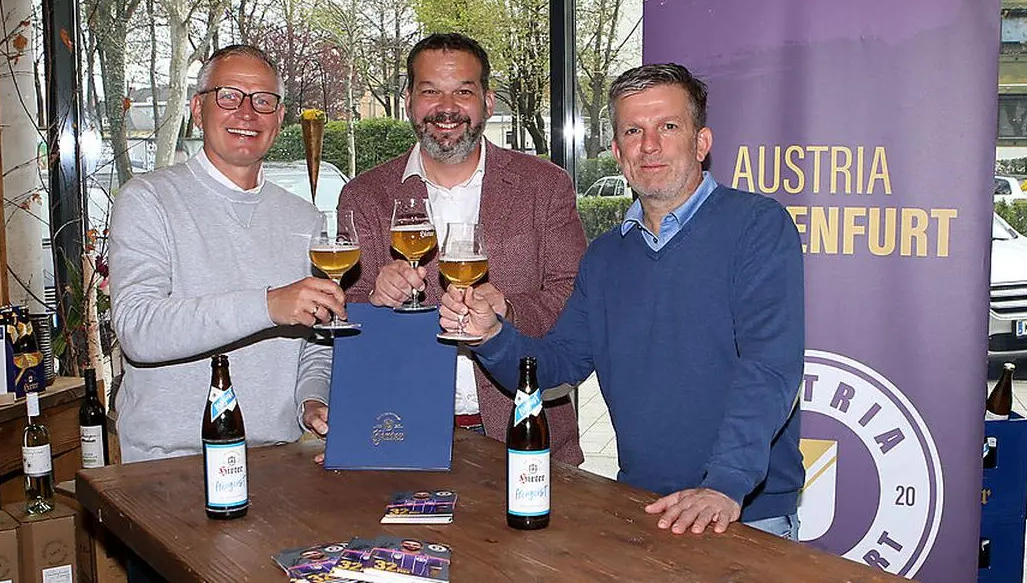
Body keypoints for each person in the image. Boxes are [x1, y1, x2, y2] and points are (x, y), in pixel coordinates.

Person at [441, 63, 805, 539]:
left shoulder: (757, 226)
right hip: (643, 507)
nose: (649, 145)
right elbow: (557, 365)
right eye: (633, 130)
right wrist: (492, 335)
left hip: (743, 513)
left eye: (668, 127)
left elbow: (769, 368)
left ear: (701, 143)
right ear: (617, 151)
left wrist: (725, 484)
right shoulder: (606, 255)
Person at [338, 33, 585, 464]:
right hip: (403, 436)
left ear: (488, 102)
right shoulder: (364, 196)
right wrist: (375, 303)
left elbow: (575, 295)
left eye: (463, 92)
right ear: (410, 101)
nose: (446, 108)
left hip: (527, 437)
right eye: (430, 91)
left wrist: (508, 308)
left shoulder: (545, 186)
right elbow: (340, 316)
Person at [108, 44, 346, 465]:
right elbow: (137, 331)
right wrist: (268, 305)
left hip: (278, 459)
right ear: (197, 110)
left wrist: (310, 399)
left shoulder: (304, 219)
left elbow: (317, 342)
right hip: (169, 464)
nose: (247, 113)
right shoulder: (147, 199)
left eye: (263, 100)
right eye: (229, 96)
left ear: (280, 116)